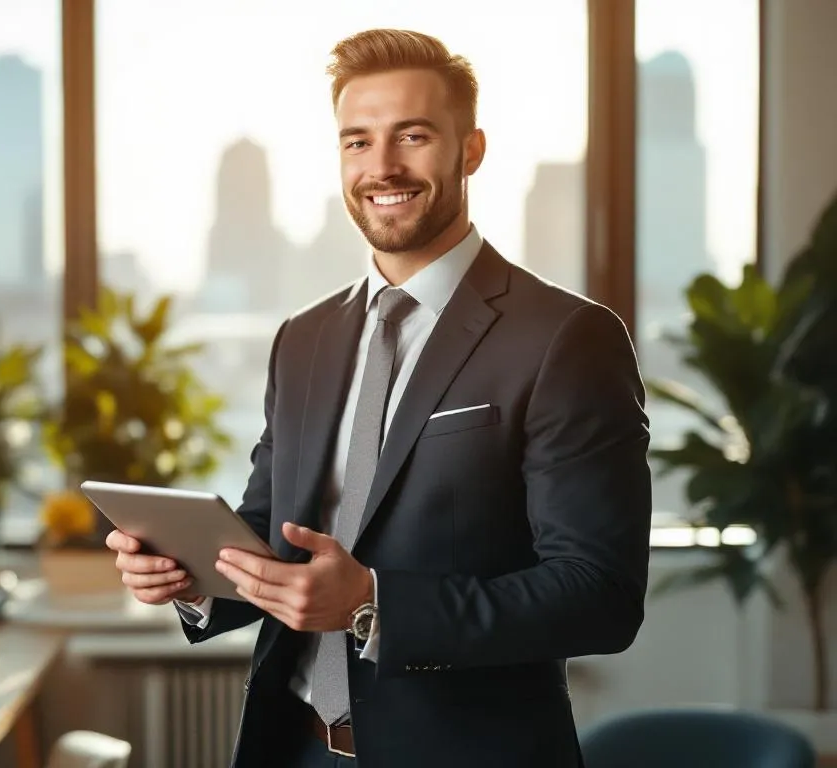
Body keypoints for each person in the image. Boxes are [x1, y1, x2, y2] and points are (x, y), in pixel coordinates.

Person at [105, 27, 651, 767]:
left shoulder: (566, 338)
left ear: (472, 150)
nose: (382, 166)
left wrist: (373, 606)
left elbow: (598, 595)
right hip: (293, 747)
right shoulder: (302, 339)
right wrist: (190, 577)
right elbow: (276, 539)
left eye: (413, 136)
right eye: (356, 142)